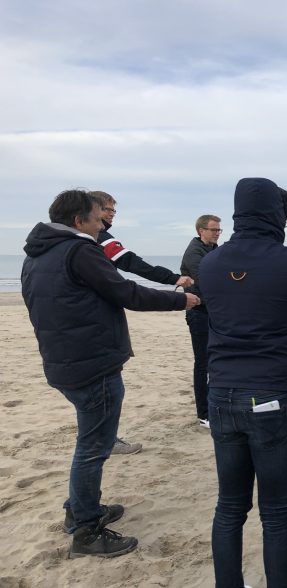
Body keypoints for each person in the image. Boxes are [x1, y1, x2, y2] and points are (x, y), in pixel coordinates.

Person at [21, 190, 199, 558]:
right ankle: (86, 530)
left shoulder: (36, 253)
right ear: (79, 221)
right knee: (94, 447)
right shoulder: (80, 249)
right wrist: (178, 299)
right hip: (92, 363)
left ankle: (79, 508)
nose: (103, 222)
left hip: (62, 361)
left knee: (90, 441)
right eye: (99, 217)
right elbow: (125, 291)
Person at [199, 177, 287, 588]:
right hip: (274, 396)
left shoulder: (211, 263)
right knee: (275, 511)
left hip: (221, 395)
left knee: (229, 507)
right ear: (279, 214)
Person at [91, 190, 194, 453]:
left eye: (114, 211)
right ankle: (106, 441)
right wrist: (172, 279)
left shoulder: (73, 240)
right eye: (107, 210)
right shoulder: (100, 238)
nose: (111, 215)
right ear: (92, 210)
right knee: (106, 386)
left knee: (97, 389)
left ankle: (101, 438)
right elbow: (130, 263)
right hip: (96, 319)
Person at [180, 214, 222, 428]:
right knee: (203, 362)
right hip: (199, 313)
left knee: (217, 360)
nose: (217, 233)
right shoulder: (194, 252)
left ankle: (215, 404)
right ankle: (204, 413)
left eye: (219, 230)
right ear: (201, 231)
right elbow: (208, 279)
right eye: (213, 230)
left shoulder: (214, 249)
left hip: (214, 312)